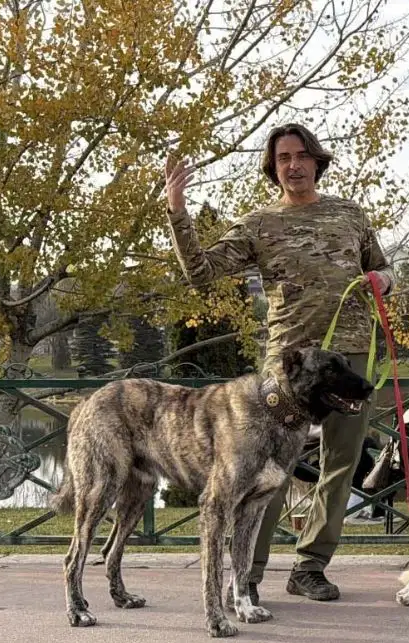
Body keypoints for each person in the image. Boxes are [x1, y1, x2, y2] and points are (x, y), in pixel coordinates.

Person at [163, 123, 393, 603]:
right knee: (266, 468)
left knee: (342, 462)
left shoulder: (350, 214)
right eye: (283, 158)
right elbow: (200, 273)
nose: (293, 165)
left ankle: (310, 567)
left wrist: (384, 281)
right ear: (274, 168)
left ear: (317, 161)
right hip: (288, 365)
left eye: (301, 155)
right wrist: (177, 212)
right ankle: (248, 574)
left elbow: (382, 267)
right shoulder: (259, 223)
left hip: (349, 357)